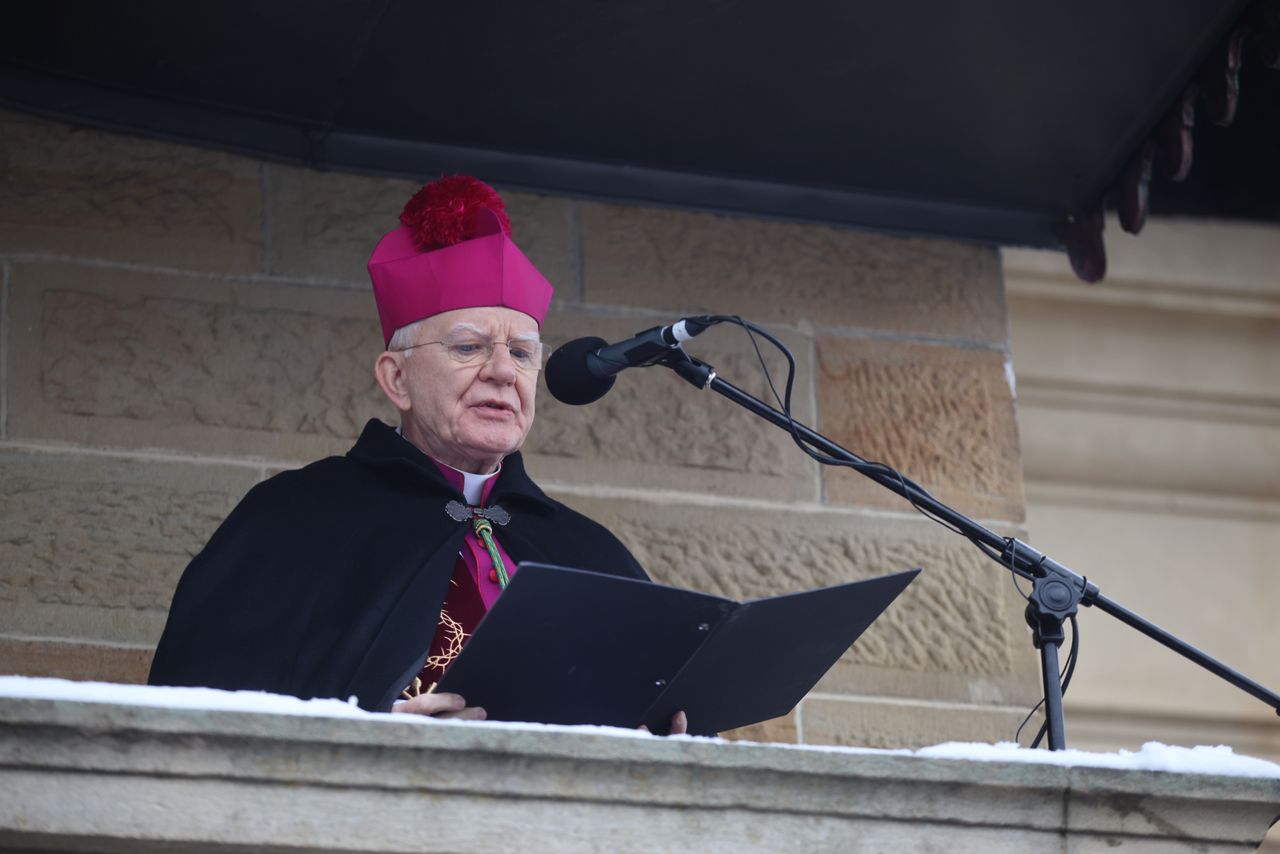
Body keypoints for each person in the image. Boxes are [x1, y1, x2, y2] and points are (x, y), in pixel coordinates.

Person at [149, 176, 687, 734]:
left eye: (522, 353)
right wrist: (371, 726)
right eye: (468, 347)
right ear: (397, 378)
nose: (503, 372)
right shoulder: (296, 517)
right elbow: (201, 711)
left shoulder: (587, 549)